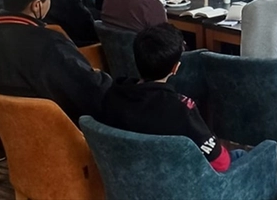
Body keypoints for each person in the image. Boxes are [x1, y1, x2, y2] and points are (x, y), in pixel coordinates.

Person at [0, 0, 112, 124]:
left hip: (15, 132)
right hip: (62, 131)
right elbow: (93, 94)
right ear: (37, 5)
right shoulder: (50, 46)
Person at [98, 23, 234, 172]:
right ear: (175, 68)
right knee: (245, 154)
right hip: (181, 177)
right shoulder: (182, 109)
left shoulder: (112, 95)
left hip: (130, 174)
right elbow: (220, 163)